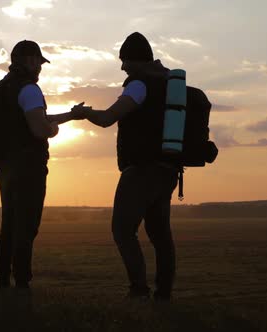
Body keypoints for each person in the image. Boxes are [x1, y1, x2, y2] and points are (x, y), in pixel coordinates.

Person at [71, 32, 178, 301]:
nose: (121, 67)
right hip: (168, 170)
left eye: (124, 61)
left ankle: (138, 290)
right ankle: (163, 294)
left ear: (135, 60)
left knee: (122, 229)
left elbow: (108, 118)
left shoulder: (139, 85)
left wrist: (84, 114)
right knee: (160, 235)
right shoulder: (167, 83)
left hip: (141, 170)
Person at [0, 40, 78, 290]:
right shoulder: (29, 89)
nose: (40, 68)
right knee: (27, 226)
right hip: (28, 166)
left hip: (5, 165)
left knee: (9, 223)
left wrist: (72, 115)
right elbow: (39, 127)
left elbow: (31, 117)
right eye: (39, 62)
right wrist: (53, 130)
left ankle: (3, 280)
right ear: (30, 61)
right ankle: (22, 283)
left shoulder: (4, 88)